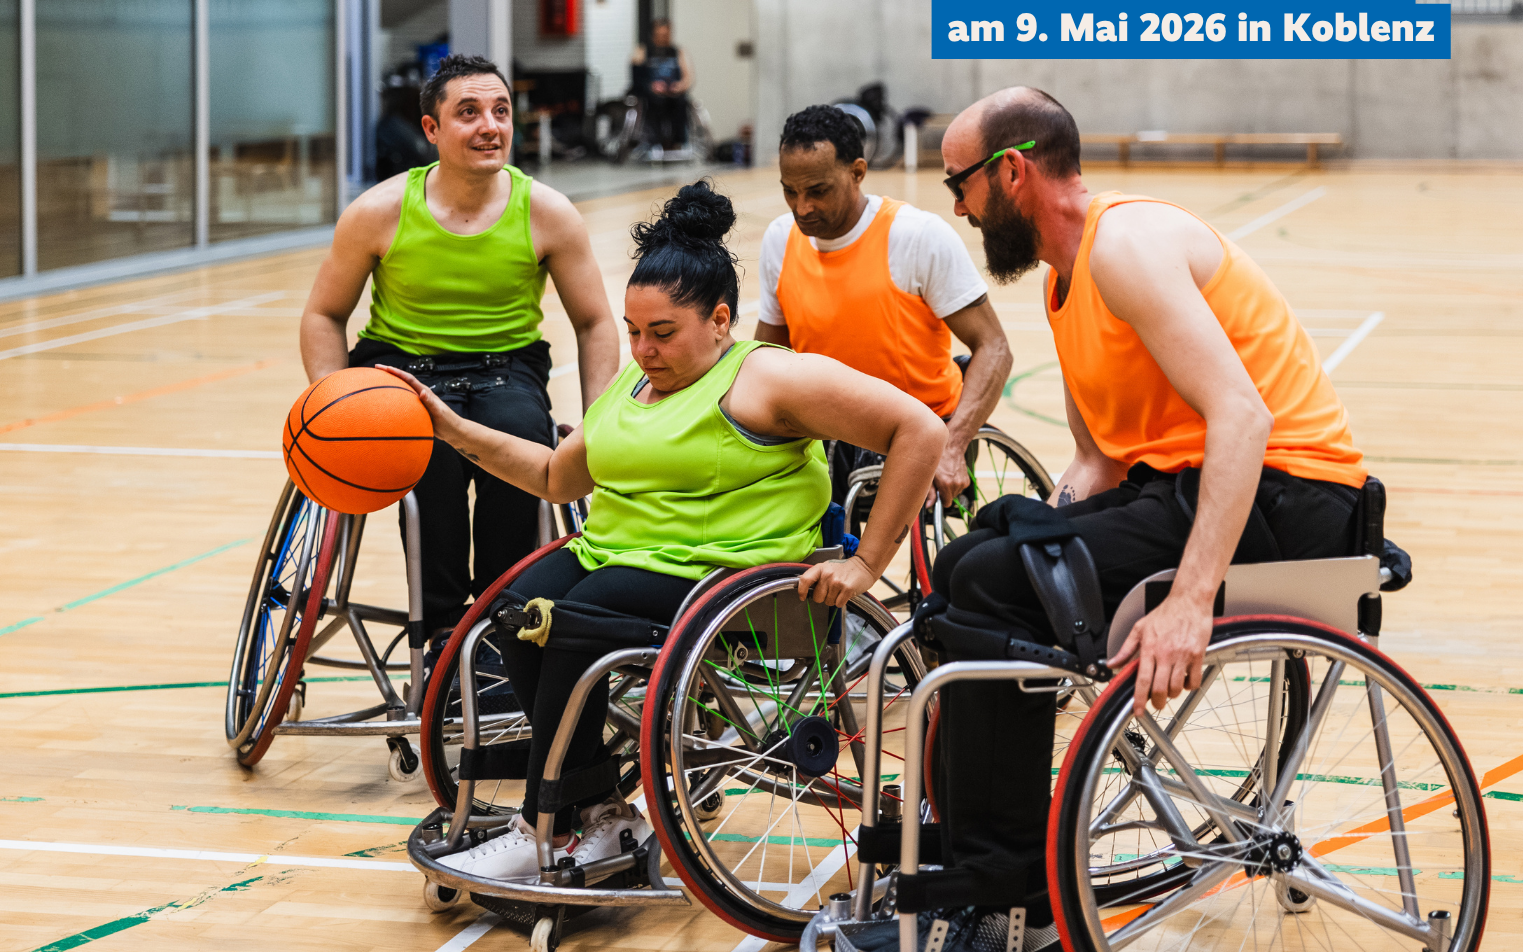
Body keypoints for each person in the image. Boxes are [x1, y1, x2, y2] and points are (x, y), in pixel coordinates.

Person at [381, 182, 946, 880]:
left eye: (663, 333)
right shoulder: (634, 382)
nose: (644, 349)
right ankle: (602, 813)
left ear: (719, 321)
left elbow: (918, 429)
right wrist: (452, 429)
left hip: (729, 575)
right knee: (510, 613)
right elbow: (559, 479)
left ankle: (545, 823)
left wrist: (866, 565)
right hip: (621, 556)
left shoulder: (768, 378)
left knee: (566, 620)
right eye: (634, 331)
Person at [915, 88, 1370, 952]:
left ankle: (1016, 895)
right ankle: (986, 866)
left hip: (1293, 496)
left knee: (1000, 583)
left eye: (960, 185)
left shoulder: (1125, 244)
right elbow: (1097, 465)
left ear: (1010, 171)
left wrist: (1191, 602)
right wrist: (1020, 549)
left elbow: (1243, 418)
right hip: (1188, 486)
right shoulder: (1063, 283)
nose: (958, 208)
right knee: (976, 563)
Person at [300, 53, 620, 642]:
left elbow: (596, 321)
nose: (489, 126)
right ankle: (443, 630)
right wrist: (332, 399)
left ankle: (504, 624)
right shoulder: (379, 211)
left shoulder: (547, 211)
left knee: (522, 444)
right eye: (468, 112)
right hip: (399, 368)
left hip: (506, 369)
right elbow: (324, 314)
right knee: (430, 459)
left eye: (500, 111)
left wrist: (601, 416)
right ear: (432, 129)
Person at [755, 104, 1012, 511]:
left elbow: (994, 347)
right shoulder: (779, 239)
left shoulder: (916, 236)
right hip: (822, 434)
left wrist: (952, 444)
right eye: (791, 191)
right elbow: (767, 359)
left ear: (857, 172)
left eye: (818, 191)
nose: (802, 207)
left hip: (917, 428)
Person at [629, 19, 692, 152]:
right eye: (660, 35)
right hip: (650, 94)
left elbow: (688, 77)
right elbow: (636, 79)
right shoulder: (641, 51)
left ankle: (678, 142)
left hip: (673, 93)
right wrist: (651, 86)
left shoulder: (678, 52)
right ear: (653, 35)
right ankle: (654, 142)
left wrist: (680, 86)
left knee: (681, 102)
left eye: (666, 35)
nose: (663, 38)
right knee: (655, 102)